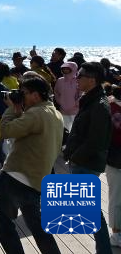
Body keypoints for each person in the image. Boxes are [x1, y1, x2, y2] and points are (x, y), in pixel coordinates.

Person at [0, 76, 63, 254]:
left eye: (23, 93)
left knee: (5, 226)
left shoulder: (35, 114)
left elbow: (6, 131)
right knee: (38, 228)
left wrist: (11, 109)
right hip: (36, 179)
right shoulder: (54, 113)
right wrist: (18, 108)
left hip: (15, 177)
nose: (20, 96)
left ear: (35, 95)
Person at [62, 62, 112, 254]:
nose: (76, 78)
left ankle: (105, 250)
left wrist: (74, 156)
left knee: (91, 212)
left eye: (80, 75)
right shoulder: (90, 99)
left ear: (91, 80)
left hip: (86, 163)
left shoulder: (99, 105)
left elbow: (96, 141)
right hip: (82, 161)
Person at [106, 83, 121, 248]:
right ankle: (116, 234)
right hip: (115, 158)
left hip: (113, 158)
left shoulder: (108, 106)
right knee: (117, 197)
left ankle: (117, 233)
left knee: (115, 197)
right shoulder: (110, 106)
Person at [54, 61, 80, 131]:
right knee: (64, 130)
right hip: (63, 110)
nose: (65, 70)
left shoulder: (78, 81)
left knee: (75, 130)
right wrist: (60, 102)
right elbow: (56, 92)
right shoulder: (60, 80)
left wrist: (76, 104)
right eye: (64, 68)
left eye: (67, 68)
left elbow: (82, 94)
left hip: (75, 111)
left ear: (73, 69)